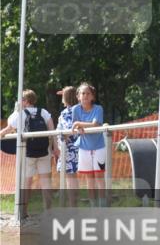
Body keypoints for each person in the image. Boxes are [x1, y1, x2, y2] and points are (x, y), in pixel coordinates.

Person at [0, 89, 57, 217]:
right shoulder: (44, 112)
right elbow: (52, 131)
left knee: (26, 183)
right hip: (44, 152)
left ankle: (23, 212)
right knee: (46, 182)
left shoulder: (20, 114)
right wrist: (56, 148)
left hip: (28, 153)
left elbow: (8, 129)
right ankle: (48, 211)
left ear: (25, 101)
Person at [71, 82, 106, 207]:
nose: (85, 96)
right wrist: (78, 126)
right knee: (89, 179)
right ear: (78, 96)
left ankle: (103, 206)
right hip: (84, 148)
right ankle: (93, 206)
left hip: (99, 147)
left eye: (88, 93)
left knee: (99, 177)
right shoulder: (75, 109)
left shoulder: (98, 108)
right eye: (82, 93)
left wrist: (79, 124)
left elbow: (95, 124)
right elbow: (74, 125)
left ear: (92, 97)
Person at [55, 86, 79, 207]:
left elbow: (68, 128)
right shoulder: (80, 109)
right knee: (72, 177)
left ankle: (72, 206)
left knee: (70, 178)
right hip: (74, 148)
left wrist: (64, 135)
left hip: (70, 148)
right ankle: (73, 205)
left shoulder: (68, 112)